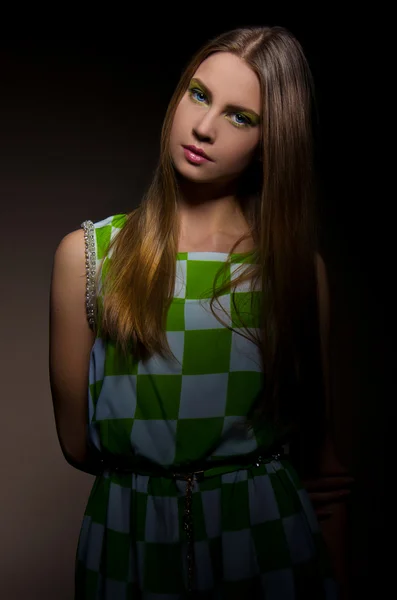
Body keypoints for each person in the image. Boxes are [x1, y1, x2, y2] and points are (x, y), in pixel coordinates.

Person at [49, 25, 353, 599]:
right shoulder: (88, 257)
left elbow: (324, 469)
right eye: (199, 93)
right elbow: (76, 443)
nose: (204, 127)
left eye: (242, 117)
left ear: (272, 140)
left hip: (270, 551)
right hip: (132, 549)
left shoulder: (293, 272)